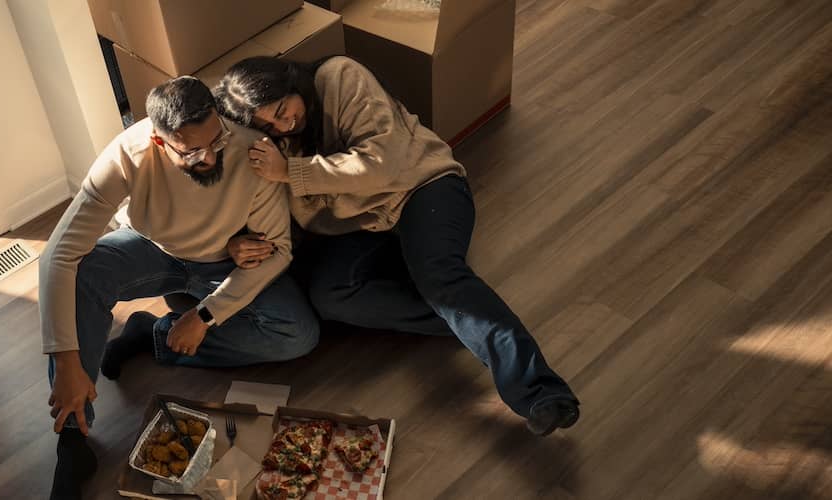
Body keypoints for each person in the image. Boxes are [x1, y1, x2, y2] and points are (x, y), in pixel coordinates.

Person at [214, 56, 580, 436]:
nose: (283, 125)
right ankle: (466, 318)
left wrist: (290, 171)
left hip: (423, 190)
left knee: (441, 279)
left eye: (281, 110)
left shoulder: (339, 76)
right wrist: (237, 241)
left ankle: (541, 393)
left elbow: (382, 165)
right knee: (331, 296)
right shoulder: (268, 145)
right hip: (360, 226)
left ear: (291, 84)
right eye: (267, 125)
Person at [40, 76, 319, 499]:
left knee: (298, 334)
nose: (209, 156)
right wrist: (66, 364)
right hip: (154, 251)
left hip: (222, 264)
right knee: (85, 274)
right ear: (158, 141)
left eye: (216, 140)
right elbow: (57, 255)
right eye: (191, 151)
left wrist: (205, 315)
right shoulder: (127, 154)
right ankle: (74, 441)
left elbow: (279, 250)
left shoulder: (248, 149)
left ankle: (150, 335)